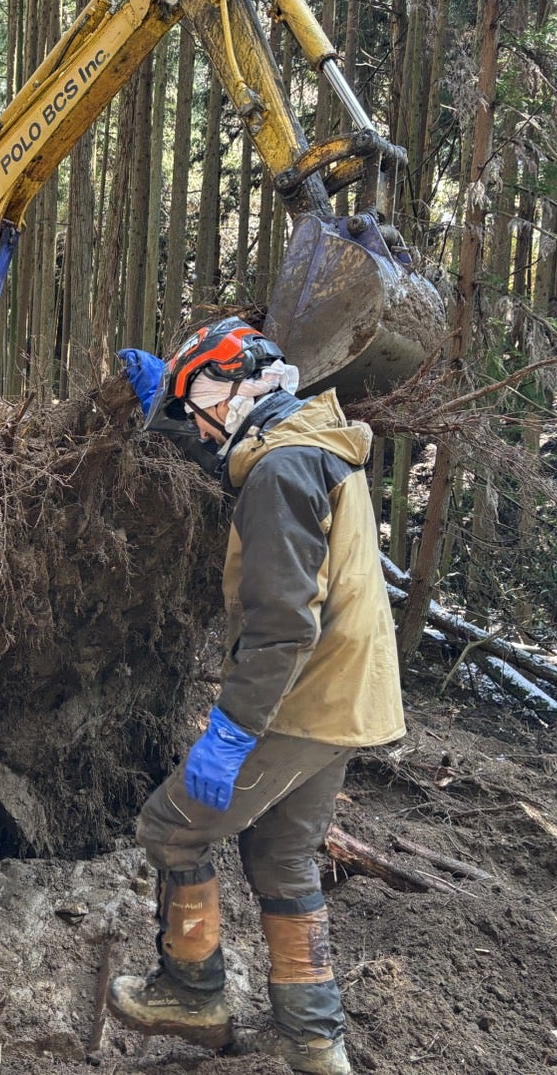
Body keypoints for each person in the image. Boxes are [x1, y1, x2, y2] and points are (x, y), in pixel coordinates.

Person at [107, 316, 405, 1075]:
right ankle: (313, 1040)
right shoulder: (303, 445)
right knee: (281, 857)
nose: (195, 429)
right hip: (350, 695)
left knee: (171, 827)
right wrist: (163, 415)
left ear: (233, 390)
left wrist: (232, 731)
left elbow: (280, 627)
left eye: (193, 405)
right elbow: (230, 463)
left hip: (300, 699)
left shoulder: (280, 472)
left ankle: (192, 993)